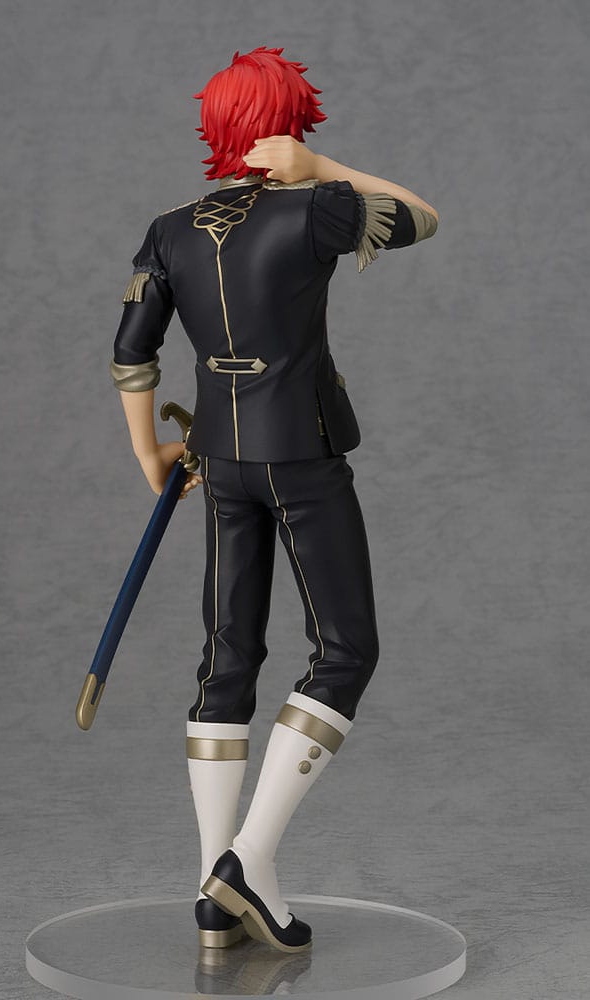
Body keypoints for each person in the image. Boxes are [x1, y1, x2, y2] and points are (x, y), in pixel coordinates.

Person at [110, 46, 438, 953]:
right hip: (300, 454)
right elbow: (422, 217)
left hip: (216, 459)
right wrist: (320, 165)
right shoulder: (316, 208)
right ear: (287, 124)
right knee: (345, 651)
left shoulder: (169, 229)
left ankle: (214, 898)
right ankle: (246, 862)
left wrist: (148, 453)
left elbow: (131, 352)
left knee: (227, 658)